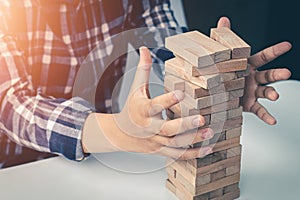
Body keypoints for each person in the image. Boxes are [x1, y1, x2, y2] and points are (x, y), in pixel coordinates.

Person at [0, 0, 291, 168]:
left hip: (99, 159)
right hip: (18, 168)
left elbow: (160, 33)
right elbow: (9, 103)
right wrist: (118, 131)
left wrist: (211, 79)